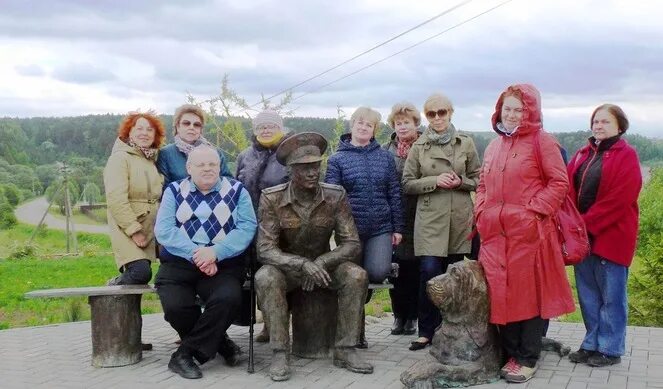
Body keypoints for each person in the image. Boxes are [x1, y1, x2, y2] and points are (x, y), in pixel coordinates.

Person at [475, 84, 575, 383]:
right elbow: (482, 184)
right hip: (494, 235)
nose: (512, 114)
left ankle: (527, 356)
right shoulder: (494, 146)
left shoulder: (541, 141)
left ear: (530, 111)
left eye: (519, 109)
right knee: (499, 293)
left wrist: (532, 213)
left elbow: (559, 182)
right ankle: (509, 353)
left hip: (529, 235)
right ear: (499, 110)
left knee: (528, 295)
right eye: (507, 108)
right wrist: (481, 211)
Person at [255, 132, 373, 381]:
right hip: (288, 268)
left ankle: (346, 348)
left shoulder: (335, 196)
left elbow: (351, 243)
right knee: (265, 277)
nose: (312, 173)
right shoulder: (272, 198)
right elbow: (265, 249)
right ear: (291, 170)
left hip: (323, 265)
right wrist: (301, 264)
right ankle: (279, 352)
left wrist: (321, 262)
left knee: (356, 275)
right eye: (305, 168)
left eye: (316, 166)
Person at [154, 146, 257, 379]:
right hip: (179, 263)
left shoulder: (237, 190)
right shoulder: (173, 190)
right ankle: (222, 343)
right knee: (176, 307)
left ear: (220, 166)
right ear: (189, 168)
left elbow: (247, 227)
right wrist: (198, 254)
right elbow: (164, 230)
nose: (207, 169)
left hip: (223, 264)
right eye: (200, 165)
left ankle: (184, 354)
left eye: (212, 164)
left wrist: (216, 252)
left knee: (228, 299)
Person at [402, 93, 480, 351]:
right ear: (426, 116)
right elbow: (407, 183)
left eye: (442, 112)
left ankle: (452, 330)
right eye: (432, 114)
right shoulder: (419, 146)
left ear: (450, 113)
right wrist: (434, 181)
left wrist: (461, 182)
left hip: (458, 219)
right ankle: (426, 331)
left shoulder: (466, 143)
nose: (437, 118)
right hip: (430, 221)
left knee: (454, 276)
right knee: (429, 274)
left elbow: (480, 179)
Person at [566, 104, 642, 367]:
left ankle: (610, 349)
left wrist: (584, 224)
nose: (598, 126)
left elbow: (620, 199)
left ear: (620, 127)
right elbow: (567, 189)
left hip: (612, 236)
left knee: (612, 296)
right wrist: (571, 223)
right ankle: (591, 343)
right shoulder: (582, 154)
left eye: (605, 122)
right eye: (596, 121)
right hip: (582, 238)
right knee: (588, 294)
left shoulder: (627, 155)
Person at [325, 106, 403, 348]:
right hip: (350, 231)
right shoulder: (337, 159)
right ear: (352, 125)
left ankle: (387, 266)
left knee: (377, 273)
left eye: (368, 125)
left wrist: (397, 227)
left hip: (381, 226)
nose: (363, 127)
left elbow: (394, 193)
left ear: (374, 130)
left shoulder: (385, 158)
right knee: (354, 279)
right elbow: (331, 196)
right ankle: (357, 332)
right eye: (359, 122)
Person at [235, 109, 291, 343]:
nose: (266, 130)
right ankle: (267, 322)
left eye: (270, 126)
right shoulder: (244, 156)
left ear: (280, 128)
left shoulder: (288, 153)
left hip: (282, 227)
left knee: (278, 274)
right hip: (250, 225)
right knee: (258, 275)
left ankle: (279, 325)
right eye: (261, 127)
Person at [104, 111, 165, 286]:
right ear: (129, 132)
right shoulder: (120, 159)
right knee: (139, 273)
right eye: (139, 128)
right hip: (127, 227)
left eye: (149, 130)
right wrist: (133, 229)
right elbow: (116, 199)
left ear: (155, 135)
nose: (144, 133)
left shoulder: (151, 159)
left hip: (151, 226)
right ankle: (112, 289)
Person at [383, 102, 422, 336]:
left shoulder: (425, 146)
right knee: (397, 270)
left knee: (417, 270)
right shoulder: (387, 150)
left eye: (407, 122)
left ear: (416, 123)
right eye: (398, 123)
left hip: (420, 215)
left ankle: (413, 318)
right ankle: (399, 316)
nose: (403, 126)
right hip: (395, 218)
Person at [156, 103, 232, 186]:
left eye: (196, 125)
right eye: (186, 123)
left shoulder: (215, 152)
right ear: (177, 126)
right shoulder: (166, 154)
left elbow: (228, 181)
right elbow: (163, 187)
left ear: (201, 129)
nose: (191, 127)